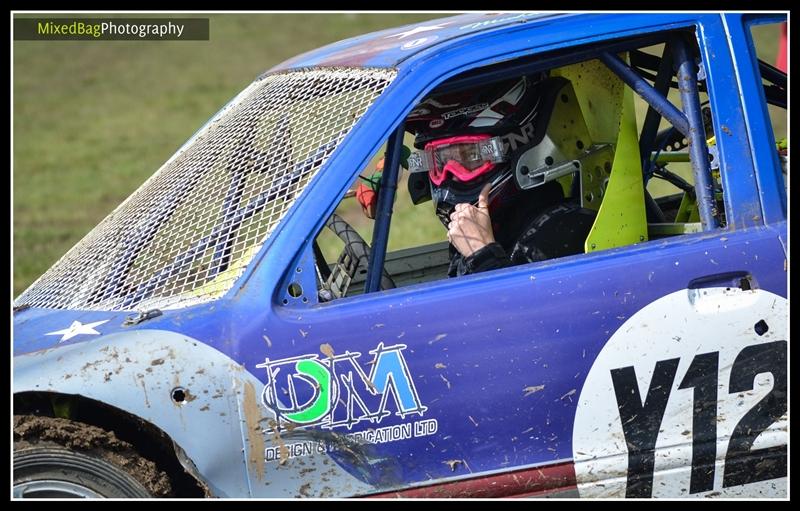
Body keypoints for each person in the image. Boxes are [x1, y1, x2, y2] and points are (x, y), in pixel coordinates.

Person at [403, 73, 598, 277]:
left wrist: (482, 256)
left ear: (517, 148)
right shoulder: (493, 229)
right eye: (439, 162)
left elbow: (536, 308)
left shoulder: (563, 230)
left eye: (470, 156)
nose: (450, 176)